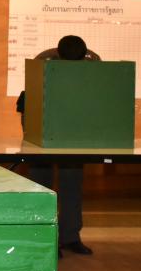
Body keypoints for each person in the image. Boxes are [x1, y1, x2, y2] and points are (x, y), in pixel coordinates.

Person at [17, 35, 99, 258]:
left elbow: (96, 97)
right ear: (59, 55)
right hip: (42, 127)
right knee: (41, 185)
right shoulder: (43, 61)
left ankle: (70, 237)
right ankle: (43, 239)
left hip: (74, 131)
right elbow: (32, 101)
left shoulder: (92, 62)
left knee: (72, 183)